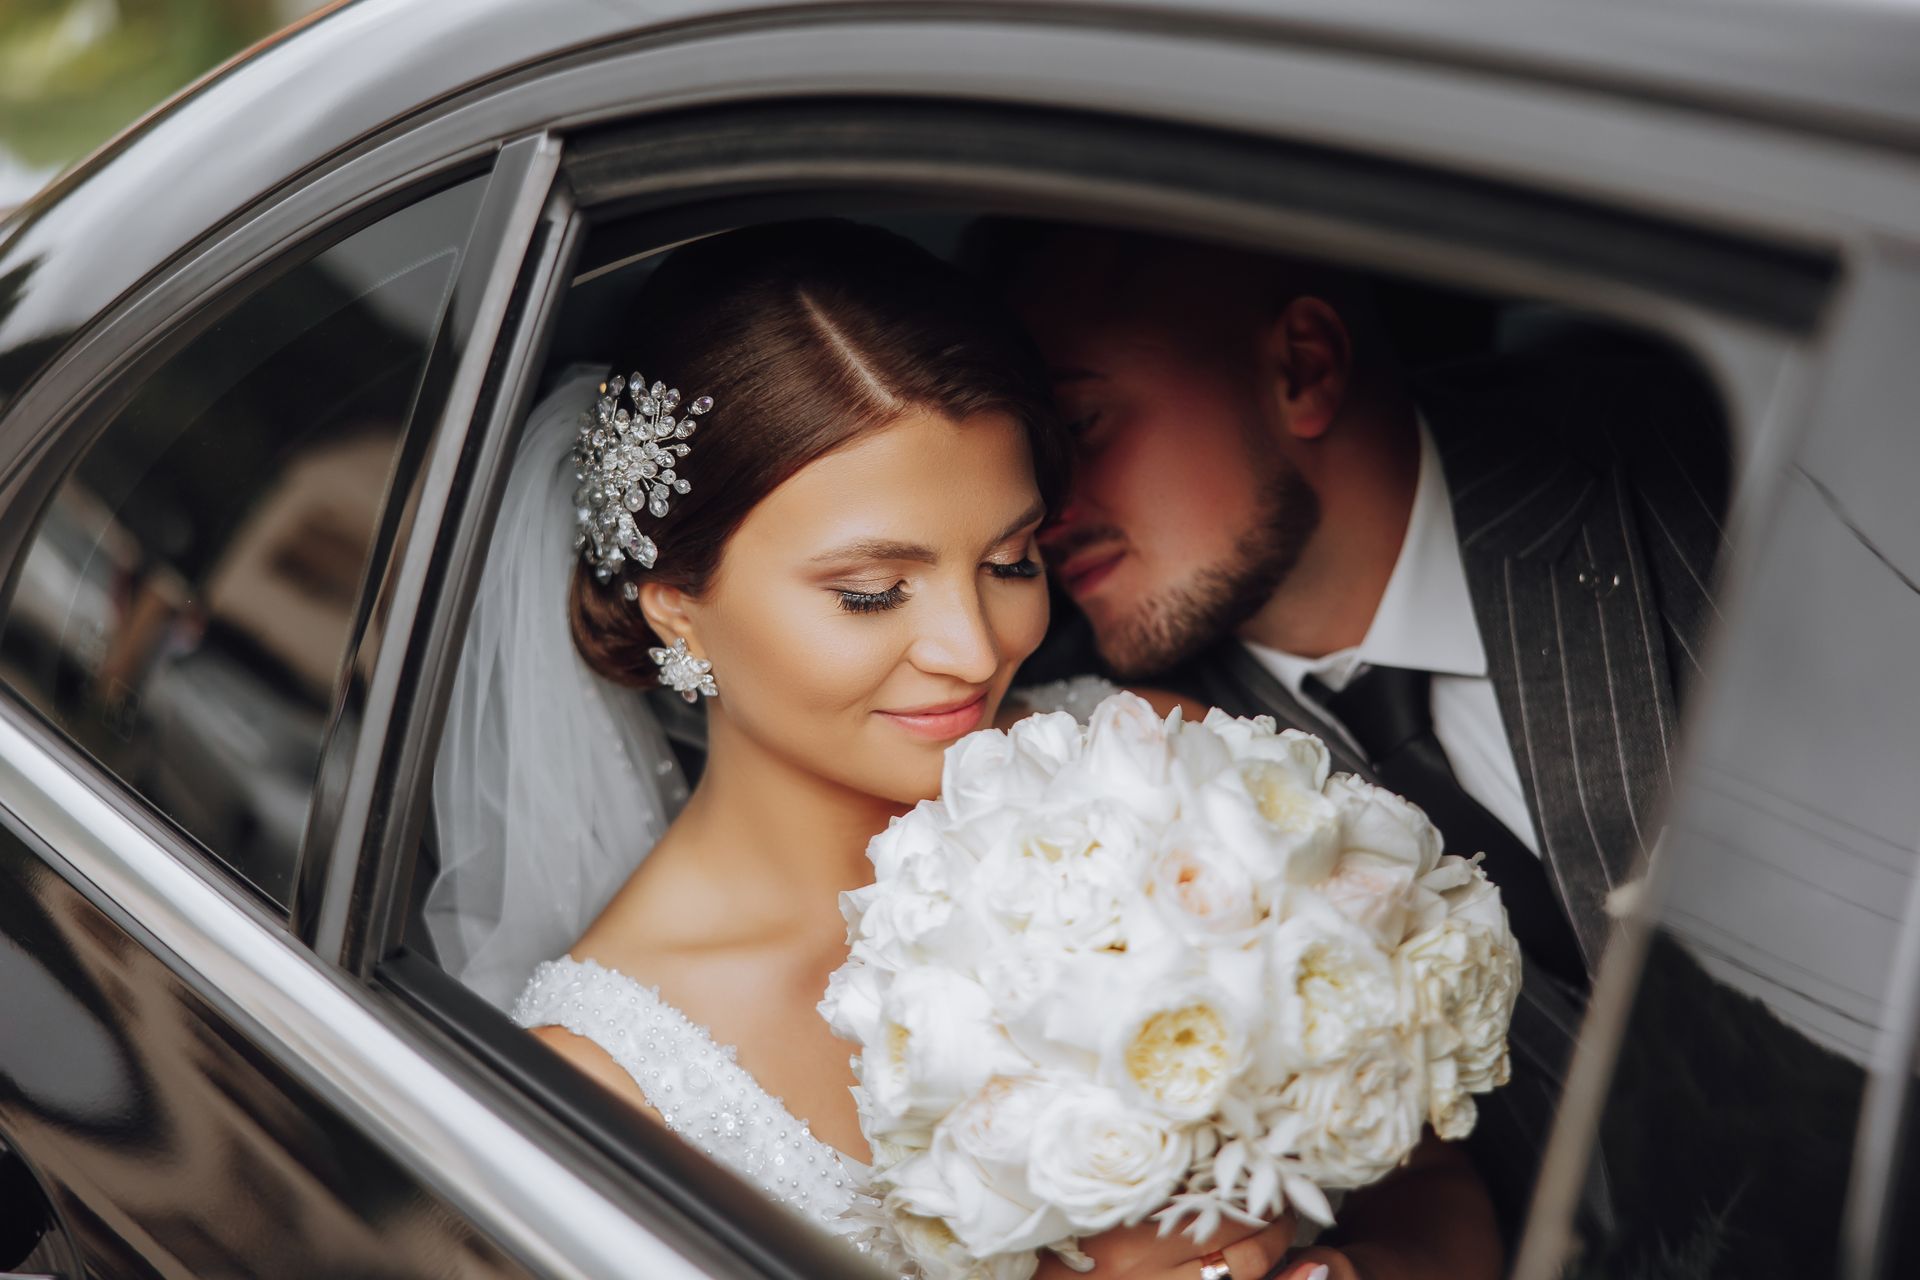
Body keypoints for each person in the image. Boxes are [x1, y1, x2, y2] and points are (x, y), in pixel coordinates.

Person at [446, 220, 1498, 1280]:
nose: (973, 647)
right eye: (872, 592)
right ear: (677, 606)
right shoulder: (611, 1088)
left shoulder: (1166, 767)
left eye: (1009, 559)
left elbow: (1429, 1170)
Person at [979, 222, 1731, 1249]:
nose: (1043, 511)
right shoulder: (1114, 765)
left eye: (1083, 423)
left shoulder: (1707, 471)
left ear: (1304, 367)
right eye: (1029, 461)